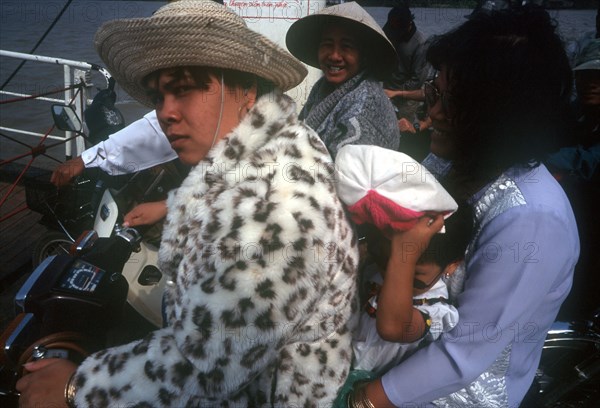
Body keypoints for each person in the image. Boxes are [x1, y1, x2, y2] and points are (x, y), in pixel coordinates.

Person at [16, 1, 359, 407]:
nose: (165, 114)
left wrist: (78, 388)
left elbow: (212, 367)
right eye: (158, 96)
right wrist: (171, 205)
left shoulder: (277, 213)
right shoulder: (272, 143)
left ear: (246, 89)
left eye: (183, 89)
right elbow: (221, 188)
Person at [346, 5, 580, 407]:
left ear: (498, 117)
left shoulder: (532, 218)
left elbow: (464, 356)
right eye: (434, 92)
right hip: (384, 349)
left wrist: (362, 400)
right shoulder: (448, 161)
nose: (431, 111)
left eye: (449, 102)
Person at [333, 145, 471, 376]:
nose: (391, 275)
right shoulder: (376, 271)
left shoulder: (437, 313)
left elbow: (393, 327)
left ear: (452, 265)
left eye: (413, 275)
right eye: (383, 261)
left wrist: (404, 255)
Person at [285, 1, 400, 158]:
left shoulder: (363, 110)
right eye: (327, 44)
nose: (334, 56)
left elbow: (341, 174)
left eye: (346, 46)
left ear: (363, 55)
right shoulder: (324, 86)